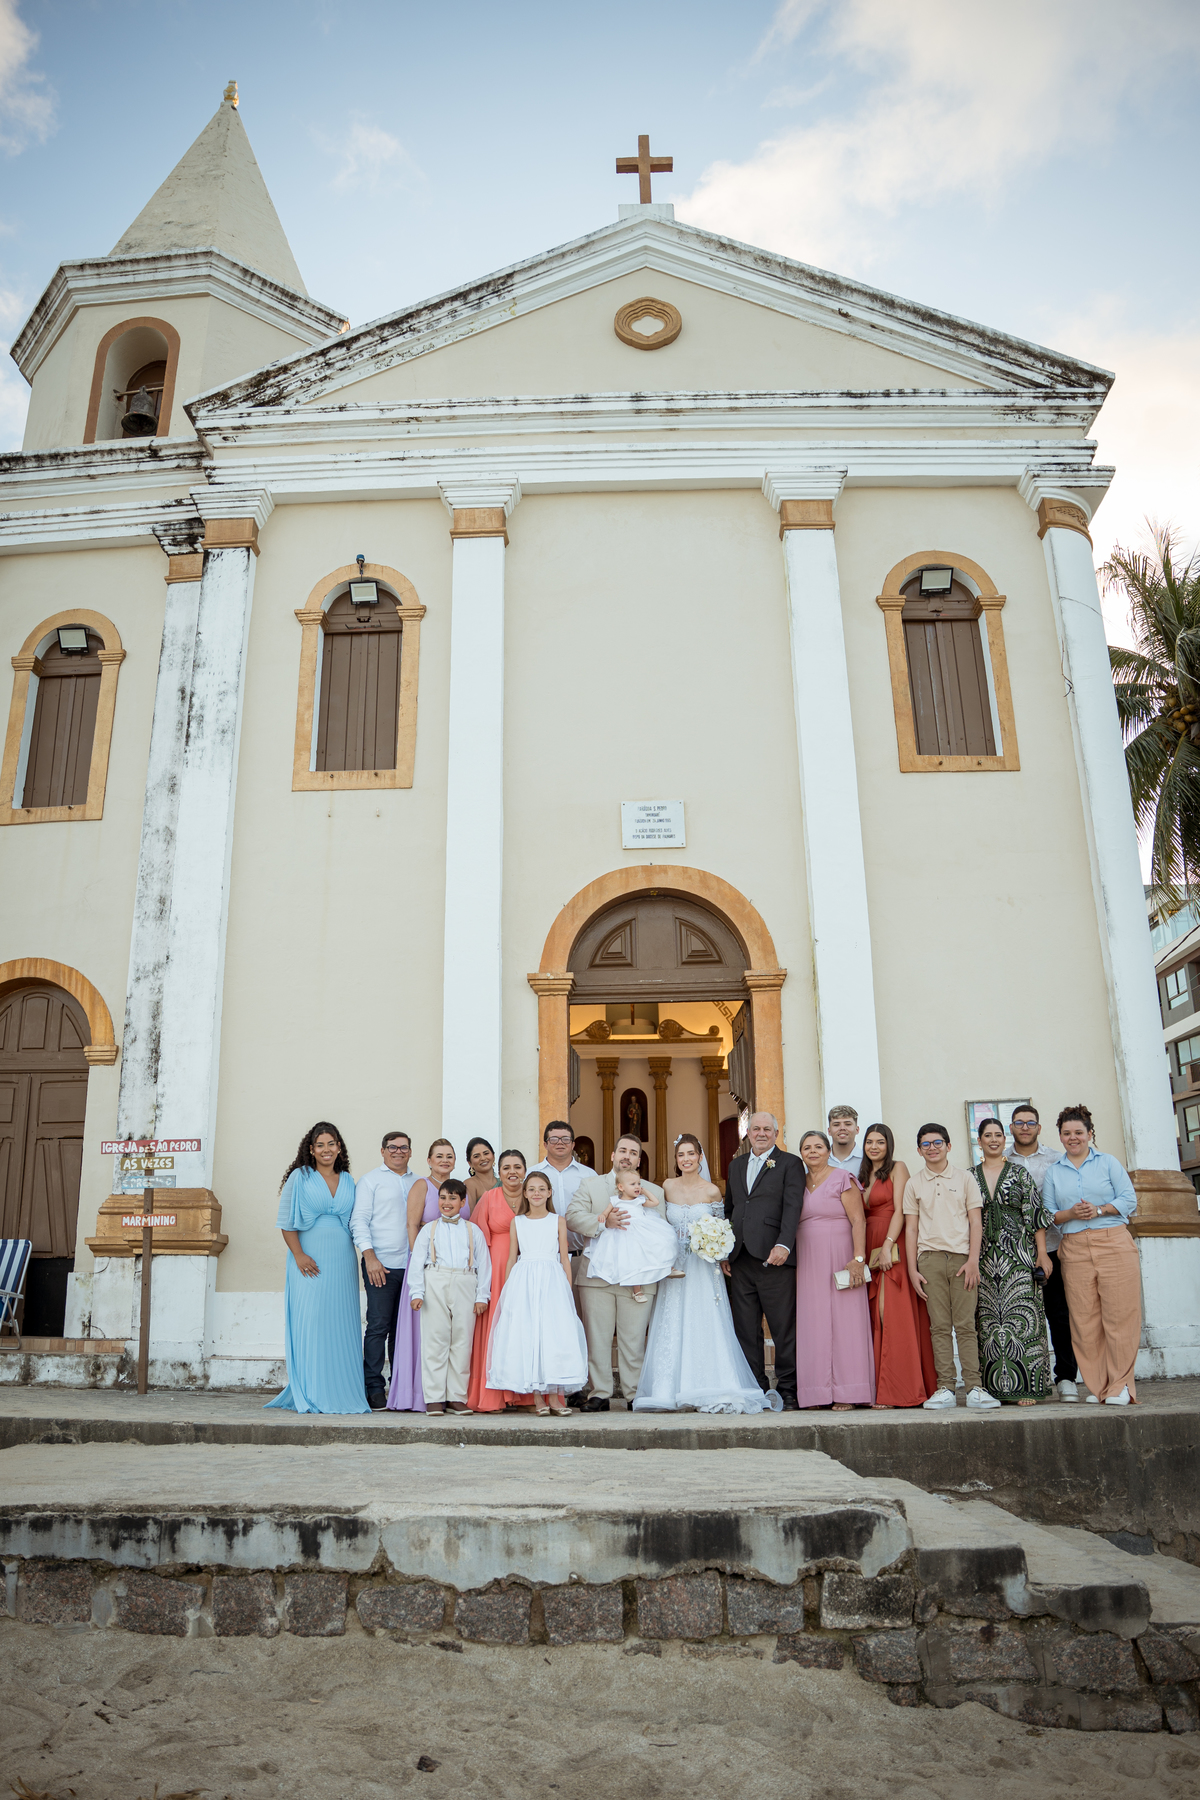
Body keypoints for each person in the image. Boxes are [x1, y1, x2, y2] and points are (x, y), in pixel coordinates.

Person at [635, 1133, 781, 1413]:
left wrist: (719, 1251)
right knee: (672, 1318)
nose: (686, 1159)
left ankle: (708, 1382)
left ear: (701, 1157)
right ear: (676, 1160)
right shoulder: (667, 1186)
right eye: (681, 1155)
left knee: (703, 1320)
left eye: (691, 1154)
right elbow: (658, 1222)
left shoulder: (712, 1191)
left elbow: (723, 1227)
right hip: (675, 1264)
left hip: (703, 1265)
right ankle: (668, 1388)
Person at [266, 1121, 369, 1415]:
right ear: (311, 1150)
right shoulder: (301, 1177)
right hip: (308, 1260)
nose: (326, 1149)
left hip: (342, 1260)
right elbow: (285, 1222)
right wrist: (298, 1255)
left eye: (331, 1143)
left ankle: (342, 1391)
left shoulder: (349, 1180)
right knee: (311, 1322)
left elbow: (356, 1221)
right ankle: (312, 1391)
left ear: (339, 1147)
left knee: (341, 1323)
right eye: (320, 1145)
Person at [1043, 1103, 1140, 1406]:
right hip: (1073, 1248)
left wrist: (1099, 1209)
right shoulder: (1054, 1172)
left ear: (1089, 1134)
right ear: (1060, 1136)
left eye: (1078, 1132)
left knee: (1119, 1317)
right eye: (1066, 1133)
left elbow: (1129, 1199)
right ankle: (1100, 1388)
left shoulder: (1108, 1163)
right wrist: (1069, 1213)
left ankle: (1121, 1386)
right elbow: (1046, 1214)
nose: (1073, 1137)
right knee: (1084, 1322)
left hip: (1112, 1241)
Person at [903, 1123, 1000, 1411]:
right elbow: (910, 1230)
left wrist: (973, 1260)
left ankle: (974, 1388)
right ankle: (945, 1387)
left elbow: (975, 1221)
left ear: (949, 1145)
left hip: (961, 1260)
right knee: (939, 1327)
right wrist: (912, 1269)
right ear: (919, 1149)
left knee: (966, 1326)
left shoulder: (966, 1178)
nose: (932, 1148)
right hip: (929, 1260)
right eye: (926, 1144)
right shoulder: (914, 1183)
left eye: (937, 1142)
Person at [566, 1135, 666, 1411]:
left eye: (633, 1152)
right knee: (597, 1336)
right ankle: (600, 1392)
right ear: (612, 1155)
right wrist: (603, 1223)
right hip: (597, 1276)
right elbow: (573, 1216)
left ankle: (635, 1393)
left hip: (638, 1277)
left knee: (633, 1338)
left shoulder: (651, 1191)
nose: (627, 1156)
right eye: (622, 1150)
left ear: (639, 1159)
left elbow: (662, 1228)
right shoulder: (591, 1185)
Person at [722, 1111, 806, 1411]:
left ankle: (788, 1389)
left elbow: (793, 1206)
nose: (761, 1133)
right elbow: (730, 1209)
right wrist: (725, 1250)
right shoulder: (736, 1165)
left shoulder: (790, 1164)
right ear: (747, 1132)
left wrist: (784, 1243)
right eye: (755, 1128)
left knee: (783, 1328)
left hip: (775, 1257)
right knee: (746, 1329)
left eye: (766, 1129)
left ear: (776, 1132)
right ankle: (755, 1385)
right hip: (740, 1260)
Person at [487, 1171, 589, 1415]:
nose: (536, 1193)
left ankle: (554, 1397)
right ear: (525, 1193)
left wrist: (566, 1287)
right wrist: (507, 1289)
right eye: (531, 1189)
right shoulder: (518, 1222)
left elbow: (564, 1258)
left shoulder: (558, 1221)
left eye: (541, 1188)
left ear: (549, 1192)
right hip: (524, 1280)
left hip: (552, 1280)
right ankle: (537, 1397)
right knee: (530, 1333)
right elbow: (512, 1257)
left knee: (553, 1334)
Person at [972, 1117, 1054, 1405]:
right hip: (981, 1258)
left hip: (1019, 1255)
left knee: (1024, 1318)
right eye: (987, 1135)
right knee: (987, 1321)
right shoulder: (969, 1176)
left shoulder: (1019, 1173)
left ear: (1004, 1139)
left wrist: (1042, 1254)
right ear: (979, 1140)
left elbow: (1035, 1215)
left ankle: (1027, 1387)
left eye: (998, 1135)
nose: (993, 1140)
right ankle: (993, 1388)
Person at [793, 1130, 875, 1409]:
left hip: (842, 1256)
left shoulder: (842, 1178)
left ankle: (848, 1392)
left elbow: (859, 1220)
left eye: (818, 1146)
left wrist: (858, 1258)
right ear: (801, 1153)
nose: (812, 1151)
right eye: (807, 1147)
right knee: (812, 1321)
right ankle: (815, 1392)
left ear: (829, 1151)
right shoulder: (796, 1182)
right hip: (808, 1259)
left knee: (846, 1321)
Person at [387, 1139, 467, 1412]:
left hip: (455, 1273)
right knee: (428, 1336)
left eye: (449, 1156)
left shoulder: (458, 1188)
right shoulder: (422, 1185)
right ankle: (421, 1395)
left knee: (453, 1336)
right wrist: (420, 1264)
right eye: (439, 1156)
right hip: (427, 1267)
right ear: (429, 1160)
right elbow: (412, 1224)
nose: (445, 1160)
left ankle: (451, 1393)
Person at [859, 1122, 935, 1407]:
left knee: (890, 1314)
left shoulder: (897, 1167)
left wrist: (889, 1244)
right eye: (869, 1142)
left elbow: (902, 1208)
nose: (874, 1146)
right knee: (873, 1316)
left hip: (892, 1245)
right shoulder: (863, 1174)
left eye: (880, 1141)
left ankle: (898, 1390)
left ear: (889, 1144)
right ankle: (878, 1386)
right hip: (869, 1244)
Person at [1009, 1104, 1079, 1401]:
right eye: (1019, 1123)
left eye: (1030, 1123)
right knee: (1018, 1318)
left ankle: (1065, 1377)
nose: (1025, 1127)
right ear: (1011, 1127)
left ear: (1039, 1127)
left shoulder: (1056, 1160)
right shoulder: (998, 1159)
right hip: (1013, 1254)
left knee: (1059, 1315)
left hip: (1053, 1247)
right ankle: (1021, 1377)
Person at [407, 1179, 491, 1416]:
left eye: (453, 1198)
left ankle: (456, 1397)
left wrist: (482, 1296)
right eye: (443, 1198)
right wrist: (417, 1292)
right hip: (435, 1279)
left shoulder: (473, 1231)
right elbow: (416, 1262)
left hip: (465, 1281)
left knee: (462, 1341)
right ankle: (434, 1397)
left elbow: (484, 1264)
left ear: (463, 1202)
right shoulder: (428, 1230)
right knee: (435, 1339)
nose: (447, 1203)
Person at [351, 1130, 416, 1410]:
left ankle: (400, 1386)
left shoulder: (418, 1182)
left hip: (411, 1265)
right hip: (381, 1264)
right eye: (392, 1147)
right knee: (378, 1327)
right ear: (382, 1151)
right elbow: (359, 1221)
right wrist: (370, 1257)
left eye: (403, 1147)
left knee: (403, 1330)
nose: (398, 1152)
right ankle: (374, 1387)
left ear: (410, 1152)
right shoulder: (370, 1181)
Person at [467, 1148, 536, 1413]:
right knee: (497, 1328)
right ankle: (493, 1394)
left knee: (525, 1327)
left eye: (517, 1167)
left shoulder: (535, 1197)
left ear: (525, 1170)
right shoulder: (489, 1198)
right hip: (496, 1269)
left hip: (528, 1267)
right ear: (499, 1170)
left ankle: (528, 1395)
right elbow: (477, 1239)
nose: (512, 1173)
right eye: (506, 1167)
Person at [583, 1169, 679, 1300]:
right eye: (633, 1184)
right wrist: (602, 1216)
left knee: (660, 1242)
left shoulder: (639, 1200)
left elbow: (655, 1202)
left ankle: (668, 1267)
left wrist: (645, 1192)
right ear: (621, 1187)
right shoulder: (615, 1200)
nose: (637, 1187)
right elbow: (606, 1212)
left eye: (639, 1183)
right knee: (632, 1261)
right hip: (624, 1232)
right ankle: (637, 1291)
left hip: (641, 1229)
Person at [464, 1138, 498, 1209]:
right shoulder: (470, 1184)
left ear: (493, 1156)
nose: (483, 1158)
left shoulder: (503, 1183)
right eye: (476, 1156)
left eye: (486, 1153)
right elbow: (471, 1216)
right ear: (470, 1163)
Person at [828, 1106, 860, 1172]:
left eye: (848, 1124)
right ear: (829, 1131)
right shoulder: (819, 1160)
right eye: (836, 1125)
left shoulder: (867, 1160)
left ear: (857, 1130)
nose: (842, 1128)